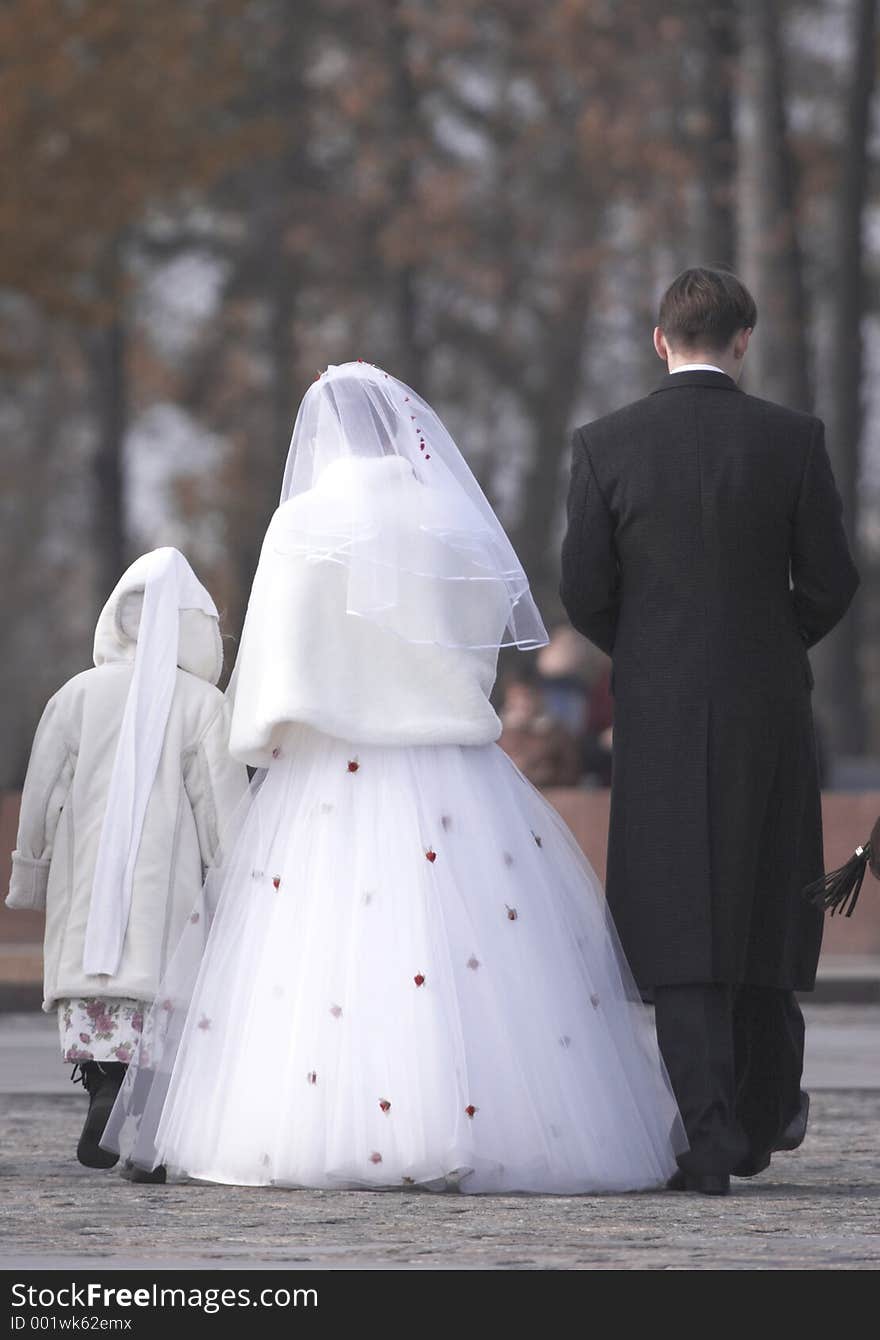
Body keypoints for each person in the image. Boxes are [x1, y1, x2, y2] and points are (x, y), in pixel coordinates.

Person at [104, 361, 684, 1194]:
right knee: (464, 957)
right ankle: (462, 1124)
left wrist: (268, 735)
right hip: (453, 769)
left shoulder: (303, 523)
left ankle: (324, 1129)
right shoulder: (448, 518)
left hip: (332, 770)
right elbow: (481, 634)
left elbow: (274, 654)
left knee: (324, 956)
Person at [560, 267, 860, 1194]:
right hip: (768, 700)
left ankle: (711, 1132)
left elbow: (584, 591)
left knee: (682, 904)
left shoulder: (604, 446)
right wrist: (769, 642)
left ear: (659, 340)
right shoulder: (793, 439)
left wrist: (649, 654)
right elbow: (833, 580)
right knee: (771, 891)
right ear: (743, 339)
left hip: (658, 707)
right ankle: (769, 1111)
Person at [6, 549, 249, 1174]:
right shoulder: (201, 705)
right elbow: (222, 808)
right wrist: (239, 884)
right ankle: (147, 1133)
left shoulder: (76, 695)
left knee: (96, 995)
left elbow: (41, 792)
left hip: (84, 882)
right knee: (161, 1006)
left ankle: (102, 1085)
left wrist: (31, 866)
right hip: (164, 894)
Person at [497, 669, 581, 789]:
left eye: (527, 696)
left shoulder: (557, 734)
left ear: (539, 696)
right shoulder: (497, 735)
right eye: (516, 696)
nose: (522, 703)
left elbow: (570, 774)